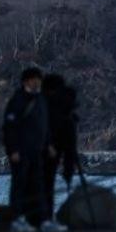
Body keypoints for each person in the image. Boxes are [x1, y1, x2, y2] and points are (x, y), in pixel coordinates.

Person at [3, 67, 53, 230]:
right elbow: (9, 128)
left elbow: (44, 125)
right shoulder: (17, 101)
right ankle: (16, 219)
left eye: (38, 79)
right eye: (33, 79)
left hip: (37, 151)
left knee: (39, 185)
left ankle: (43, 220)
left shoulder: (41, 100)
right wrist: (13, 150)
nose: (37, 82)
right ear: (26, 81)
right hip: (21, 151)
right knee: (20, 185)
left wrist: (49, 144)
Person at [42, 73, 80, 222]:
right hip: (65, 139)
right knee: (48, 183)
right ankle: (49, 218)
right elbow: (70, 148)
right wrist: (69, 170)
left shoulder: (46, 103)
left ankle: (44, 217)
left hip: (49, 146)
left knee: (45, 183)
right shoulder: (67, 100)